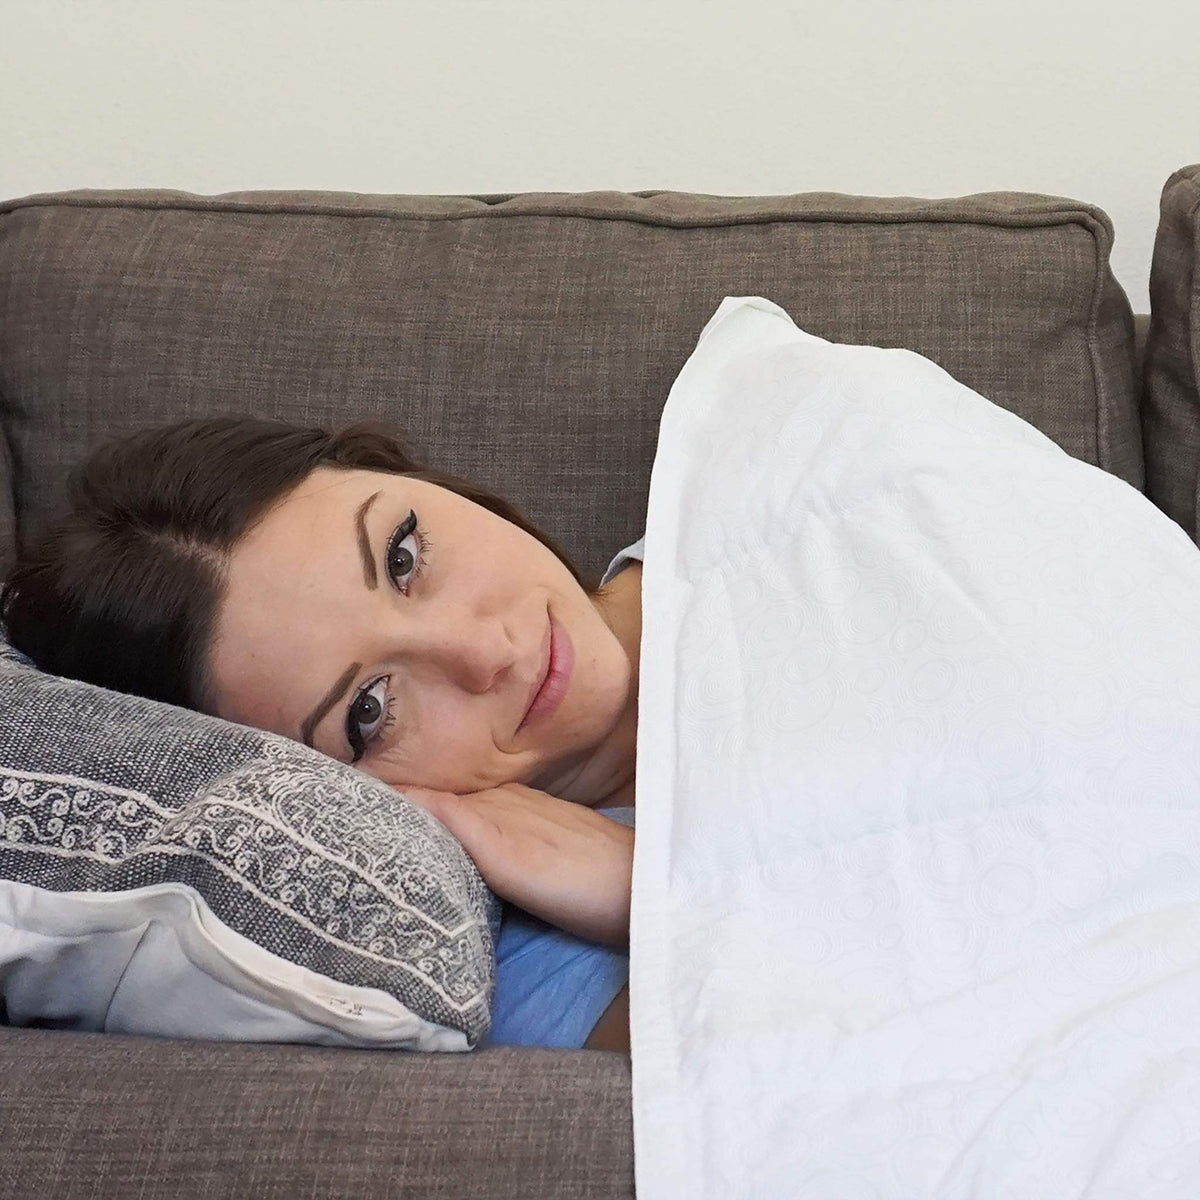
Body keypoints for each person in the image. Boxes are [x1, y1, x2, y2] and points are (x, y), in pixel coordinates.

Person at [0, 417, 643, 1053]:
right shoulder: (553, 978)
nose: (484, 652)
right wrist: (646, 895)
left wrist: (663, 882)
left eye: (402, 558)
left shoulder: (706, 477)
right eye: (368, 710)